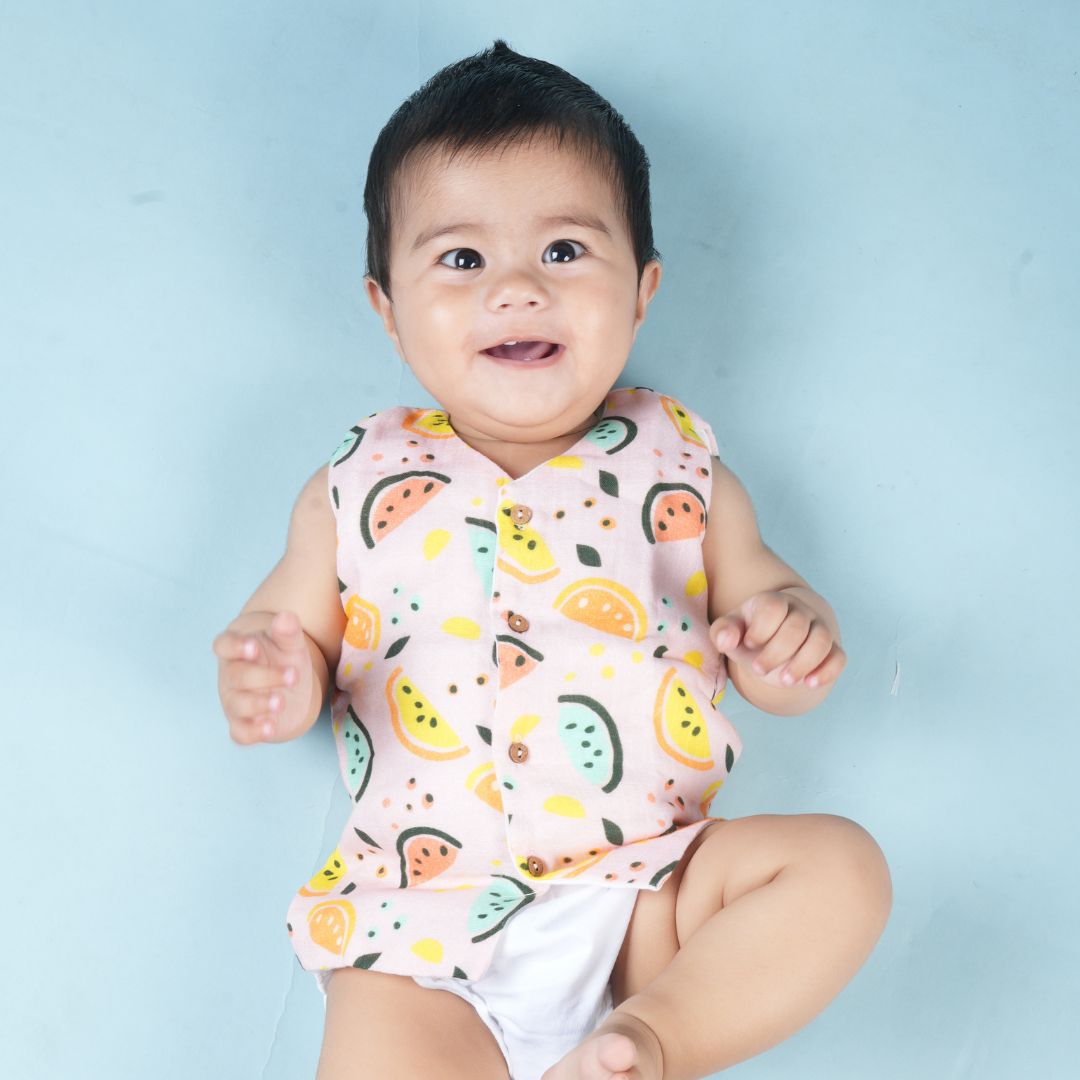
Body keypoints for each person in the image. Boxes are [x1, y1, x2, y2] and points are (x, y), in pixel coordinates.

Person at [213, 38, 892, 1080]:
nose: (519, 289)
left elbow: (769, 622)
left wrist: (788, 639)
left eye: (565, 251)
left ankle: (649, 1042)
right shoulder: (355, 483)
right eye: (462, 260)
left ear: (643, 290)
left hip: (647, 897)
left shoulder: (682, 465)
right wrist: (276, 674)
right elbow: (288, 634)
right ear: (388, 309)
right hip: (422, 924)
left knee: (841, 869)